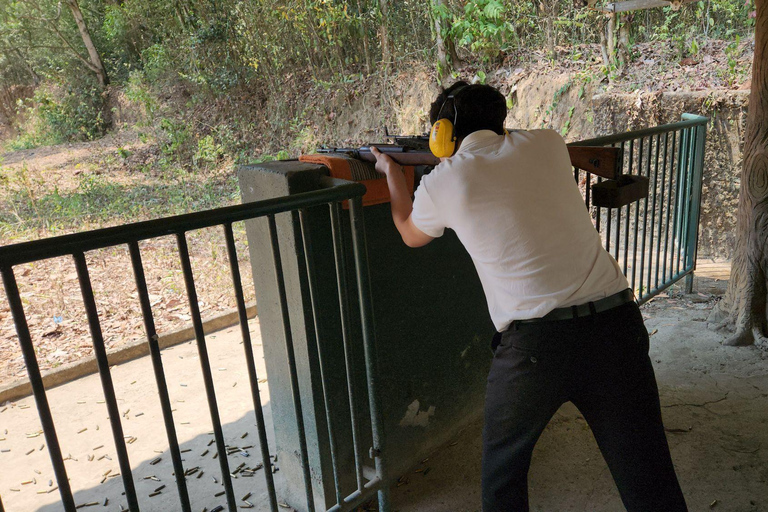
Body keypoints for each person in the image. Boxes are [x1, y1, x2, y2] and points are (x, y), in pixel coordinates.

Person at [370, 81, 687, 512]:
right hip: (617, 326)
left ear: (442, 133)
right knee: (649, 479)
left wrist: (393, 175)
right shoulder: (549, 144)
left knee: (503, 482)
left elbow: (409, 231)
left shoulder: (445, 181)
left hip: (534, 348)